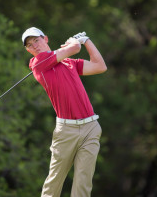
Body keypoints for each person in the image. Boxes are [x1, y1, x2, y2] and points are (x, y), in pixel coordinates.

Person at [22, 27, 107, 197]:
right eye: (30, 45)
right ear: (28, 50)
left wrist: (86, 40)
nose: (35, 46)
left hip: (90, 127)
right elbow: (74, 48)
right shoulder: (37, 64)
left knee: (83, 184)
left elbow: (100, 66)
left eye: (36, 40)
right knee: (54, 182)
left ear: (45, 38)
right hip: (66, 131)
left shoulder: (70, 63)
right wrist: (75, 42)